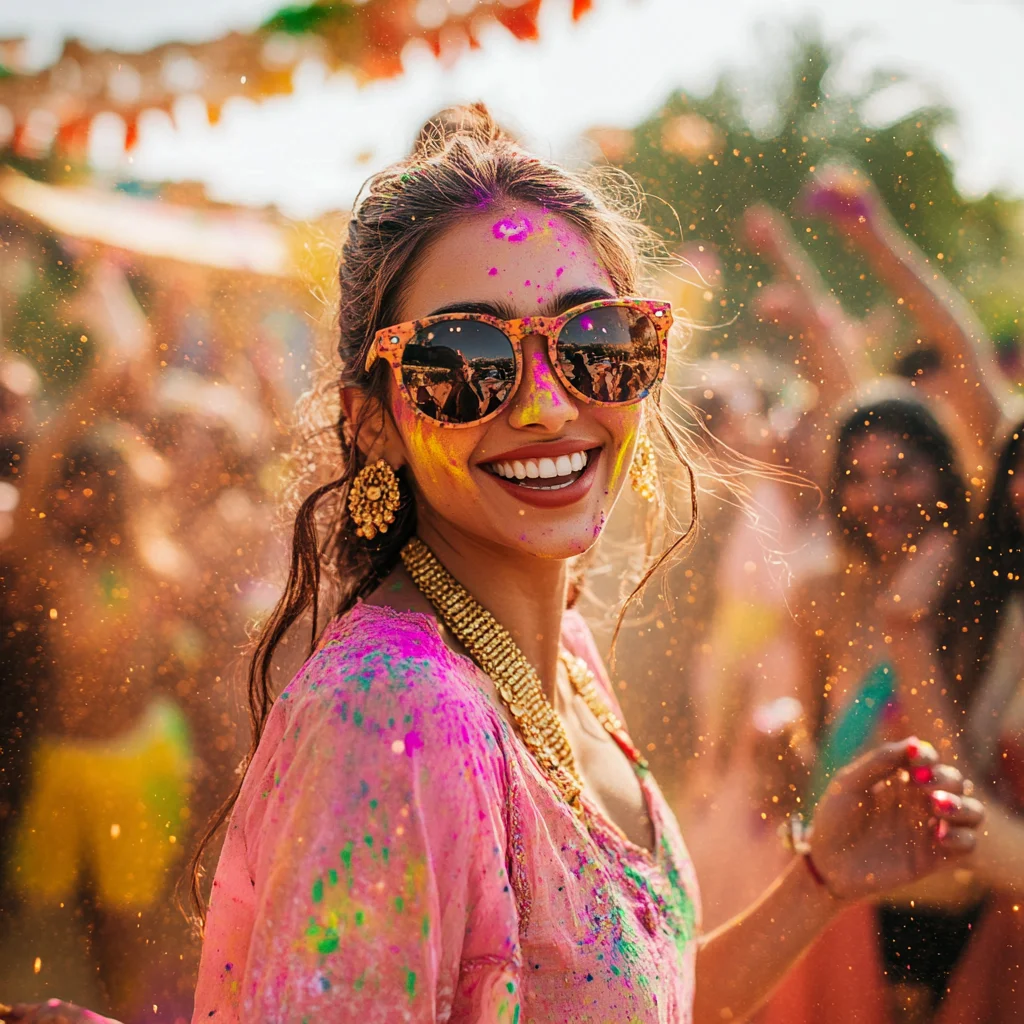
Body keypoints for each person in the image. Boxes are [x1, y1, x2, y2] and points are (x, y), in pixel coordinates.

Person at [4, 105, 984, 1024]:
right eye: (466, 359)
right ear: (373, 422)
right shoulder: (393, 717)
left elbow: (641, 999)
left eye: (595, 341)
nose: (547, 405)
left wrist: (819, 880)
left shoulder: (564, 654)